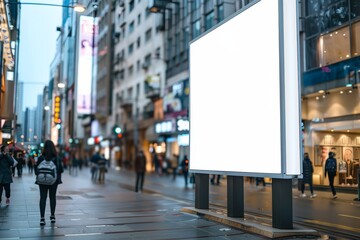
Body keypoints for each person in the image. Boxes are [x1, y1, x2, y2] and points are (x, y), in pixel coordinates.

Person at [35, 140, 64, 226]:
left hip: (42, 181)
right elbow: (61, 170)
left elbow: (36, 171)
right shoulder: (56, 157)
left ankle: (42, 218)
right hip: (53, 181)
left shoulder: (41, 158)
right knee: (52, 197)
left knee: (43, 198)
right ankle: (52, 216)